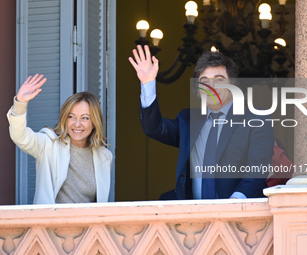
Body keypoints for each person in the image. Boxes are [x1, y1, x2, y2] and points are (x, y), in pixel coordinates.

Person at [129, 45, 274, 200]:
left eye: (219, 80)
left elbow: (257, 169)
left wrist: (235, 203)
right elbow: (154, 128)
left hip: (241, 214)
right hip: (196, 216)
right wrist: (148, 83)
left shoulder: (256, 119)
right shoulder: (188, 120)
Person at [7, 74, 113, 204]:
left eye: (85, 118)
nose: (77, 124)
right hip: (52, 223)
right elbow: (20, 137)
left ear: (94, 122)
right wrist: (20, 104)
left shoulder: (105, 157)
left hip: (87, 223)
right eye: (71, 117)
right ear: (64, 119)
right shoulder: (48, 144)